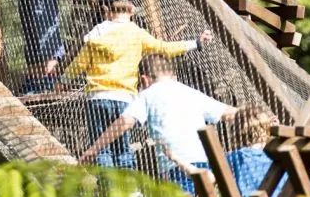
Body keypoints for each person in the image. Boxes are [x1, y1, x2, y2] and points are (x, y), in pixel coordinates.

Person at [62, 0, 211, 167]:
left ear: (105, 10)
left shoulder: (95, 35)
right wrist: (194, 43)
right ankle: (130, 191)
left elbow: (79, 64)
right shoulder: (136, 34)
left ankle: (111, 191)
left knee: (101, 148)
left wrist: (62, 81)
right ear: (131, 11)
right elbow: (163, 48)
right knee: (122, 147)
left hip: (98, 97)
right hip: (125, 98)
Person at [81, 53, 236, 177]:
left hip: (175, 166)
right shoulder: (189, 91)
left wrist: (93, 149)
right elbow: (228, 113)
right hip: (204, 163)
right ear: (171, 74)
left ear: (144, 79)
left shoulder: (148, 94)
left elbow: (124, 122)